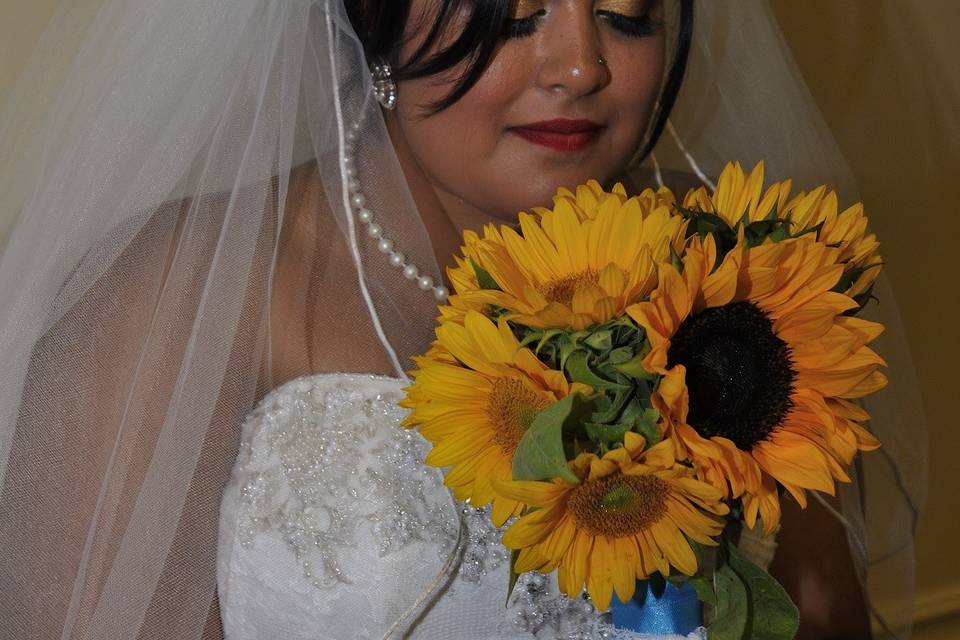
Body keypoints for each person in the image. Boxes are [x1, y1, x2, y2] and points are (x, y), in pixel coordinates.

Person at [0, 1, 925, 639]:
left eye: (626, 14)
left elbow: (819, 612)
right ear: (371, 19)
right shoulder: (170, 293)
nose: (579, 66)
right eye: (513, 12)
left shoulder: (734, 281)